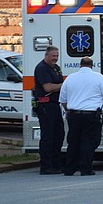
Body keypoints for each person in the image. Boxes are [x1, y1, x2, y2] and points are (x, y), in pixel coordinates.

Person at [59, 57, 103, 176]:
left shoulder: (70, 78)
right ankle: (86, 169)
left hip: (74, 114)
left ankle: (70, 169)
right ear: (92, 65)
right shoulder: (98, 77)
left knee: (73, 142)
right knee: (88, 142)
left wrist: (67, 110)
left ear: (80, 65)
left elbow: (63, 99)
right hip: (91, 115)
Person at [33, 46, 65, 174]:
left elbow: (56, 85)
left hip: (54, 104)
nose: (55, 58)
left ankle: (56, 164)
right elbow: (47, 88)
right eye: (53, 56)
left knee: (59, 134)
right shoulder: (42, 68)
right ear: (47, 55)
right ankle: (46, 166)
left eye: (57, 56)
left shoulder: (56, 68)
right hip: (45, 106)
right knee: (48, 136)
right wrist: (63, 85)